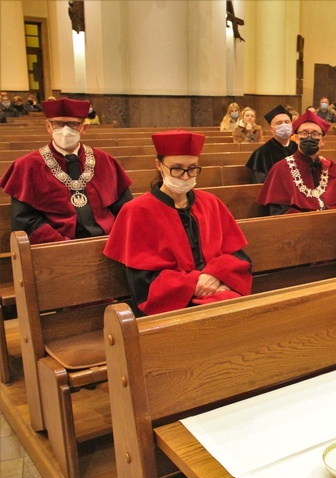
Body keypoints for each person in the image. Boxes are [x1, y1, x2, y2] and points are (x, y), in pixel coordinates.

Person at [104, 130, 252, 316]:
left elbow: (240, 258)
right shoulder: (136, 211)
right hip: (173, 305)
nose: (185, 177)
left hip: (219, 291)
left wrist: (215, 276)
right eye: (177, 168)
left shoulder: (211, 202)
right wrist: (197, 282)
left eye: (192, 168)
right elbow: (143, 284)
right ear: (159, 165)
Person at [0, 98, 133, 244]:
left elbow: (125, 209)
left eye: (73, 124)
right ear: (48, 127)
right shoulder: (26, 166)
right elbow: (25, 221)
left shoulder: (105, 161)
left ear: (84, 128)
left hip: (110, 243)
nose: (65, 130)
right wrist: (64, 247)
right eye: (58, 124)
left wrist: (116, 239)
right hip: (55, 249)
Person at [256, 110, 336, 214]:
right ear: (297, 138)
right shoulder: (280, 169)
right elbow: (279, 212)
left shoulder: (334, 168)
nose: (309, 137)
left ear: (323, 141)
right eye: (304, 133)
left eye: (315, 134)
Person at [244, 105, 298, 184]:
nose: (284, 125)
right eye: (279, 123)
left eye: (287, 122)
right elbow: (260, 185)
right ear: (271, 129)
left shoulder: (299, 148)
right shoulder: (261, 154)